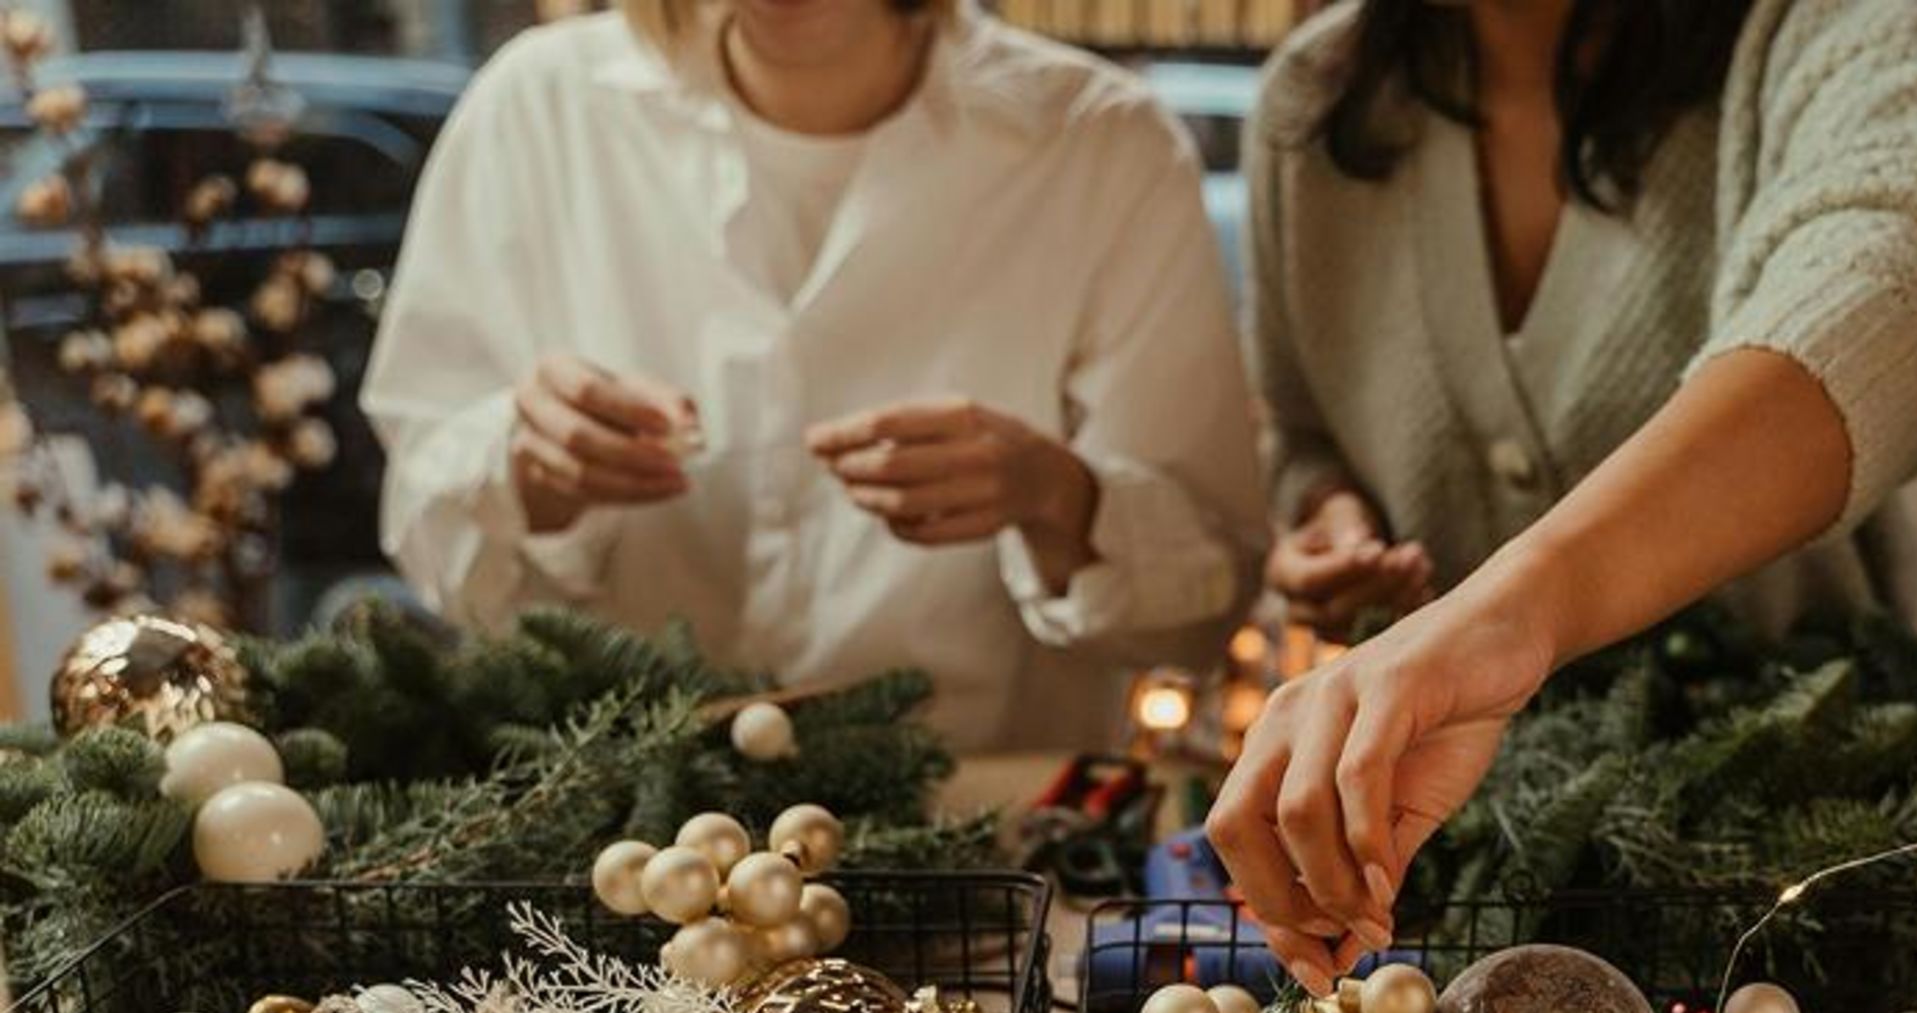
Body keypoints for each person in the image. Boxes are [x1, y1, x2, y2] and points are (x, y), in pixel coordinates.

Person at [1211, 0, 1917, 993]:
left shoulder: (1839, 25)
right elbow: (1304, 433)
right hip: (1439, 869)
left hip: (1794, 872)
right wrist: (1328, 519)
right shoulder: (1315, 98)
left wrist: (1510, 611)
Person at [366, 0, 1263, 750]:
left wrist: (1054, 495)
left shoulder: (1101, 147)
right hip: (602, 840)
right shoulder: (538, 109)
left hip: (983, 855)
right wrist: (524, 469)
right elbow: (424, 516)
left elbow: (1201, 601)